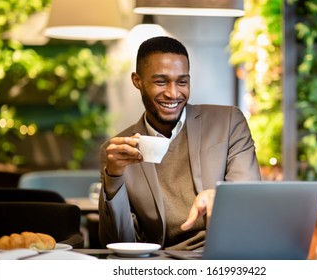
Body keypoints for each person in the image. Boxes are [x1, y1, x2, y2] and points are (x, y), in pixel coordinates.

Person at [98, 36, 261, 251]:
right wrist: (114, 178)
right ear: (137, 80)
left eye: (182, 82)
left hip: (225, 257)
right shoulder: (117, 152)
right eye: (161, 81)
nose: (173, 93)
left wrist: (222, 199)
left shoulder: (229, 122)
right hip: (164, 265)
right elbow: (118, 240)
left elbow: (250, 204)